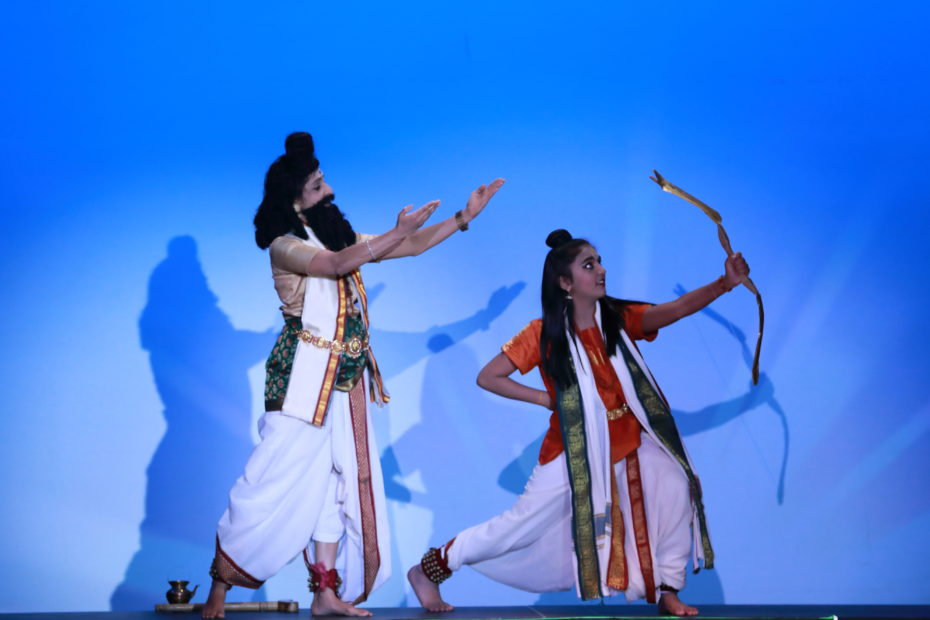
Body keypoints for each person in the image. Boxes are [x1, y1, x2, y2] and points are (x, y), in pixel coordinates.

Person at [202, 132, 504, 618]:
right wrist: (394, 231)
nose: (329, 189)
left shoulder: (334, 235)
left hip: (344, 378)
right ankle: (219, 587)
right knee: (269, 480)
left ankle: (324, 594)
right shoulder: (285, 246)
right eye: (319, 184)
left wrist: (463, 218)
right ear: (296, 198)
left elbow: (411, 248)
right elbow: (340, 264)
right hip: (303, 376)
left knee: (334, 486)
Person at [408, 229, 750, 617]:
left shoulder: (618, 320)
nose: (601, 270)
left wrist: (725, 284)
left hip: (630, 443)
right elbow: (488, 376)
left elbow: (672, 310)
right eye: (590, 265)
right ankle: (430, 568)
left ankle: (668, 590)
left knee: (675, 485)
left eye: (600, 262)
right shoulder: (542, 334)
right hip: (573, 454)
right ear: (566, 283)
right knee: (516, 527)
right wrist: (545, 399)